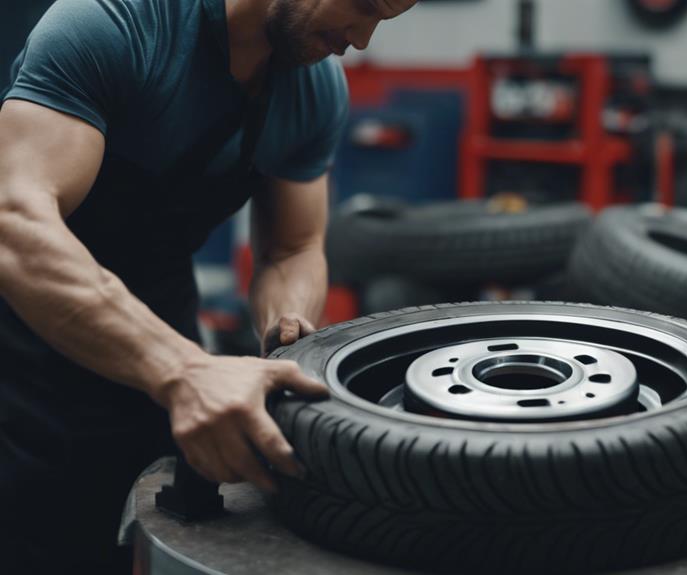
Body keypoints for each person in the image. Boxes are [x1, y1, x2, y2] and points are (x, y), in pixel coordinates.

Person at [0, 0, 417, 571]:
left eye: (384, 21)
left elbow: (291, 248)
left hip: (162, 319)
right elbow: (14, 226)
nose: (363, 39)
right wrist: (184, 371)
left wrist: (289, 335)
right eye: (364, 7)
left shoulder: (314, 88)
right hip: (22, 339)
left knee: (153, 529)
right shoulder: (112, 25)